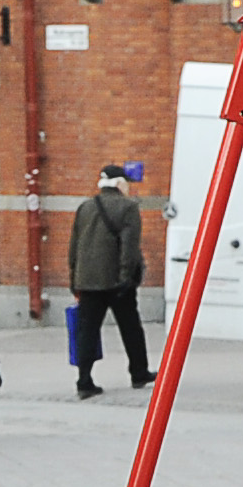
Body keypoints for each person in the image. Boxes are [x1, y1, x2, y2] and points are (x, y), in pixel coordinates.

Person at [68, 159, 150, 397]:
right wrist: (126, 277)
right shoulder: (127, 208)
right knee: (131, 328)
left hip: (87, 280)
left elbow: (74, 246)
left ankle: (84, 381)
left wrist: (74, 278)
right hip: (116, 282)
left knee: (87, 331)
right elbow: (129, 247)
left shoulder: (85, 207)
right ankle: (139, 372)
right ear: (121, 184)